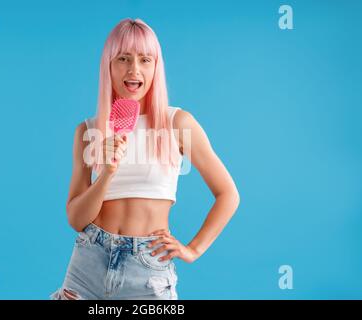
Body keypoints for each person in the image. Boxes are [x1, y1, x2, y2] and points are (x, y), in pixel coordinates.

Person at [51, 18, 240, 300]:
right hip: (88, 261)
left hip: (147, 267)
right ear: (109, 66)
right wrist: (107, 173)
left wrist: (194, 249)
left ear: (155, 67)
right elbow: (76, 220)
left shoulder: (178, 123)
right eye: (123, 58)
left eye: (144, 59)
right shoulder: (87, 132)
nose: (134, 69)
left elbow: (228, 194)